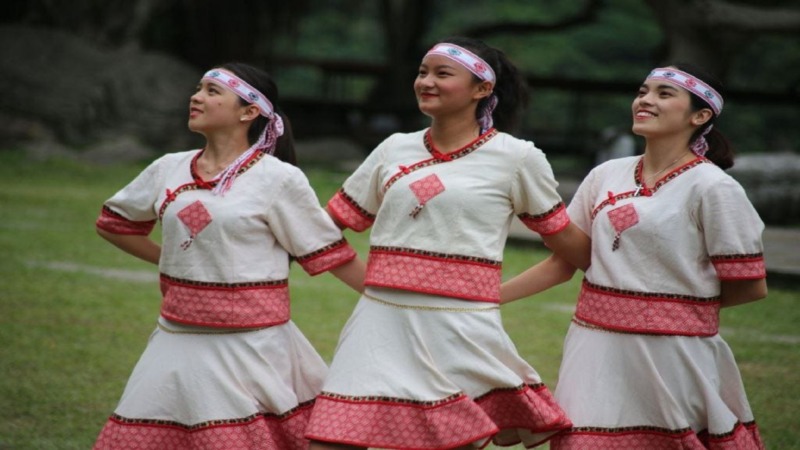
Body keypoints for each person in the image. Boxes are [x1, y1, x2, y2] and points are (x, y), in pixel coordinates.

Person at [304, 37, 590, 450]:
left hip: (459, 330)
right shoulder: (393, 148)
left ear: (482, 89)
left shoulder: (517, 158)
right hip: (376, 326)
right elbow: (322, 229)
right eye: (423, 72)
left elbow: (570, 250)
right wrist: (374, 286)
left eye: (442, 73)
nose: (426, 82)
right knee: (331, 441)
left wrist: (490, 295)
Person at [92, 62, 366, 449]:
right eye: (198, 88)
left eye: (211, 91)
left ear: (249, 111)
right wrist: (176, 261)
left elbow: (328, 253)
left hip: (252, 346)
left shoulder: (278, 178)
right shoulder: (167, 168)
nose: (196, 97)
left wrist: (387, 304)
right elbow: (114, 224)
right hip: (176, 336)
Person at [501, 64, 768, 449]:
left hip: (673, 351)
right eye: (643, 91)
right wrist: (487, 298)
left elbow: (750, 286)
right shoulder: (605, 174)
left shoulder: (713, 187)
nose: (645, 100)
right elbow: (563, 264)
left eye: (663, 94)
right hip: (593, 344)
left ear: (701, 115)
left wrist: (665, 311)